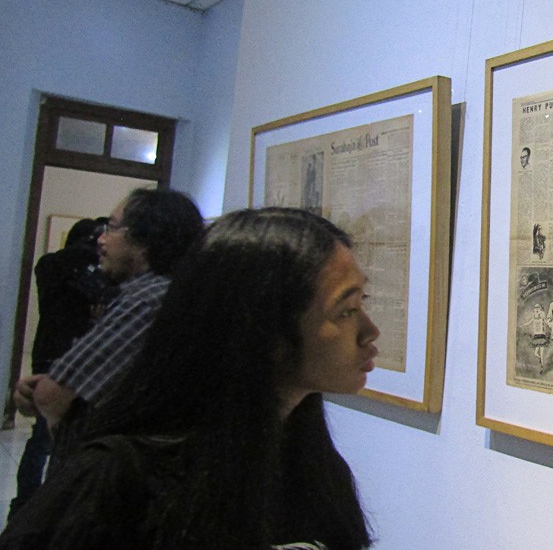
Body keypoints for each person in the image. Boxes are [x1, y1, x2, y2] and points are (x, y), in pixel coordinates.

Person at [0, 207, 378, 549]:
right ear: (262, 328)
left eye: (362, 303)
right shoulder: (117, 482)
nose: (370, 331)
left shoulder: (313, 465)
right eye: (346, 310)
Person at [13, 188, 205, 467]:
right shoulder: (170, 293)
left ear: (145, 239)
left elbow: (51, 397)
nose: (101, 240)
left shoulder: (148, 299)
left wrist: (48, 401)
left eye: (112, 228)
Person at [8, 219, 105, 519]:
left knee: (39, 439)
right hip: (74, 358)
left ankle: (22, 504)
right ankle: (49, 506)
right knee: (59, 441)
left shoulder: (49, 266)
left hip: (46, 353)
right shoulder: (82, 270)